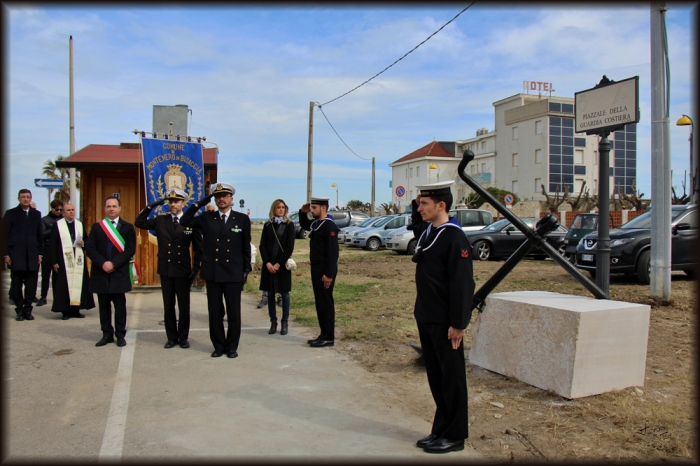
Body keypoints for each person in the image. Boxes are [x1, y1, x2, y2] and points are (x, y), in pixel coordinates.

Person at [408, 181, 475, 454]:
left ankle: (455, 435)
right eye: (420, 203)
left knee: (452, 378)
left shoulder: (454, 237)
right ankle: (440, 428)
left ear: (441, 205)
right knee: (436, 376)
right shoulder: (429, 231)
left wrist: (459, 324)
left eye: (425, 204)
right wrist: (416, 203)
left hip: (446, 321)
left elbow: (462, 284)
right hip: (426, 315)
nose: (420, 208)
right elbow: (416, 223)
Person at [180, 183, 251, 359]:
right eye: (218, 196)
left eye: (225, 196)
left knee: (234, 312)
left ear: (231, 199)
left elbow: (245, 247)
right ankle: (218, 346)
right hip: (213, 272)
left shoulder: (241, 219)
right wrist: (200, 202)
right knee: (215, 312)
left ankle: (232, 346)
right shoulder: (207, 218)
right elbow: (184, 220)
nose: (221, 199)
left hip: (233, 272)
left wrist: (246, 269)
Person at [135, 188, 202, 349]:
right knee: (168, 305)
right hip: (166, 269)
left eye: (176, 201)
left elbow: (199, 248)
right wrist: (150, 206)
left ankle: (183, 337)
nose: (173, 204)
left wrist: (195, 269)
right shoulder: (160, 220)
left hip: (183, 270)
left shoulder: (189, 222)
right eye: (170, 201)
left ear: (183, 204)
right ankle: (171, 337)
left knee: (184, 306)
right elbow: (139, 222)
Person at [85, 196, 137, 347]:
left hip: (118, 272)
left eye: (114, 206)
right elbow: (90, 248)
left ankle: (120, 335)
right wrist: (103, 263)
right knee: (104, 306)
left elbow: (130, 250)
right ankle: (106, 334)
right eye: (108, 206)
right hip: (101, 272)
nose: (111, 209)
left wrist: (113, 263)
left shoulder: (128, 227)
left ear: (120, 208)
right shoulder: (97, 227)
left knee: (120, 306)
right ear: (105, 208)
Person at [298, 197, 339, 347]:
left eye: (314, 208)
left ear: (323, 208)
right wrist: (303, 212)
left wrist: (329, 274)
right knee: (320, 302)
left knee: (325, 303)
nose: (311, 210)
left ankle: (328, 336)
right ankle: (324, 334)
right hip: (316, 268)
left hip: (324, 269)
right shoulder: (318, 224)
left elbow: (333, 253)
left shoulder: (329, 226)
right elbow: (305, 224)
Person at [49, 203, 95, 319]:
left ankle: (76, 310)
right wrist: (54, 261)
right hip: (63, 260)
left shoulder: (79, 225)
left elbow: (87, 240)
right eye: (68, 210)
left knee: (79, 283)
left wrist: (83, 243)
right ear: (63, 213)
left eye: (73, 210)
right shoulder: (58, 225)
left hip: (78, 259)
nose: (71, 212)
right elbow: (53, 244)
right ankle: (65, 311)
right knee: (64, 285)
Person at [3, 189, 43, 321]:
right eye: (23, 197)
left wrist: (40, 253)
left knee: (31, 285)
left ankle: (27, 309)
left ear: (30, 198)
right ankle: (19, 310)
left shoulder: (36, 214)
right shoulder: (10, 214)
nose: (26, 199)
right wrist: (6, 254)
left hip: (32, 254)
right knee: (16, 285)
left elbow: (39, 235)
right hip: (16, 254)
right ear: (19, 198)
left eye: (28, 197)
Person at [258, 199, 295, 335]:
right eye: (278, 207)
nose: (281, 209)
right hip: (269, 265)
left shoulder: (289, 225)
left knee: (284, 294)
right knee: (270, 293)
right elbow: (262, 245)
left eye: (283, 207)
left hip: (282, 265)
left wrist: (278, 263)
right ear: (273, 209)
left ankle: (284, 321)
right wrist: (268, 263)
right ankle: (273, 321)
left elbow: (289, 247)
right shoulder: (268, 225)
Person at [36, 199, 64, 306]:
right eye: (57, 209)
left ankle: (58, 297)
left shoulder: (63, 219)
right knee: (46, 275)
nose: (59, 211)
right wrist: (55, 228)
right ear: (52, 208)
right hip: (47, 249)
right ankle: (43, 296)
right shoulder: (44, 220)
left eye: (61, 210)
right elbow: (41, 234)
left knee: (58, 275)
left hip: (59, 249)